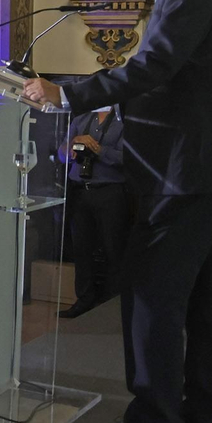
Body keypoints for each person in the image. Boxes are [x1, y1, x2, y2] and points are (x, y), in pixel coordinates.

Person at [23, 0, 212, 423]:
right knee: (208, 300)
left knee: (151, 294)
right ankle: (206, 420)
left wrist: (67, 93)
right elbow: (177, 76)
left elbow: (155, 65)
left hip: (190, 171)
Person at [61, 107, 129, 319]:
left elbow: (129, 158)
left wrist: (98, 149)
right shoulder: (81, 118)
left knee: (114, 249)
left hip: (110, 192)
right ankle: (84, 300)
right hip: (80, 192)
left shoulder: (124, 119)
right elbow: (62, 155)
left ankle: (114, 304)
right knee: (81, 249)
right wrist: (72, 145)